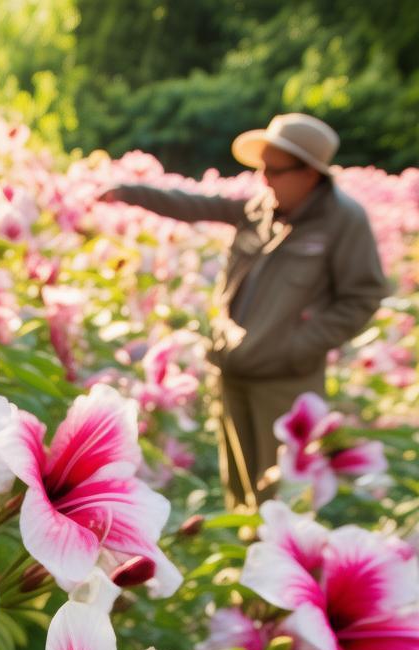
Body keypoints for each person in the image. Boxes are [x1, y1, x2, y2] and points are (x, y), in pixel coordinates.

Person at [100, 113, 387, 510]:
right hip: (232, 369)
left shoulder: (342, 221)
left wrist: (298, 347)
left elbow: (364, 296)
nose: (264, 180)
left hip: (284, 382)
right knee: (240, 491)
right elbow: (196, 205)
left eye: (275, 171)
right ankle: (244, 563)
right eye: (263, 169)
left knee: (282, 495)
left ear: (309, 174)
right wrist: (128, 192)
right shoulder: (262, 208)